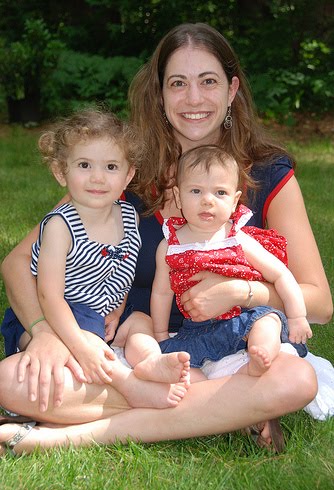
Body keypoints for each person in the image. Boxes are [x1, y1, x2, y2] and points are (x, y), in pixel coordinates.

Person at [0, 22, 331, 456]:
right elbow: (17, 263)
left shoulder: (268, 174)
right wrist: (43, 332)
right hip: (127, 348)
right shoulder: (123, 168)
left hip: (223, 346)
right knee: (11, 381)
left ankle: (62, 436)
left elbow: (320, 303)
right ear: (159, 94)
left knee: (295, 380)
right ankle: (224, 411)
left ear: (232, 90)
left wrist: (243, 291)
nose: (193, 99)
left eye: (208, 82)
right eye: (178, 84)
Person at [5, 108, 191, 409]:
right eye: (84, 165)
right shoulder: (59, 226)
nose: (97, 177)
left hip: (103, 313)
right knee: (86, 340)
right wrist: (79, 345)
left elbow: (123, 269)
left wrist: (118, 310)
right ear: (60, 172)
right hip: (63, 313)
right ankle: (128, 385)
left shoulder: (129, 216)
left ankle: (149, 362)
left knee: (140, 322)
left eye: (111, 167)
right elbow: (48, 296)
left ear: (128, 174)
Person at [151, 145, 312, 380]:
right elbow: (161, 293)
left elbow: (281, 274)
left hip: (245, 317)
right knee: (181, 366)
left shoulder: (236, 237)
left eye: (220, 193)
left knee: (267, 321)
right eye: (196, 191)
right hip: (199, 328)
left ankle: (261, 355)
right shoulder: (170, 246)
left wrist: (297, 316)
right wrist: (160, 335)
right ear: (178, 196)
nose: (207, 201)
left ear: (235, 200)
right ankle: (215, 389)